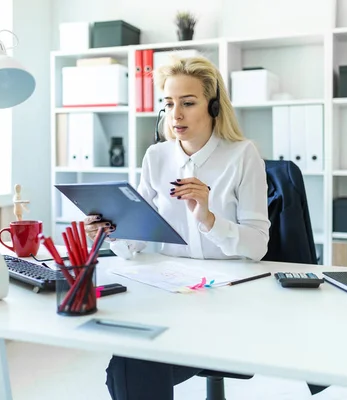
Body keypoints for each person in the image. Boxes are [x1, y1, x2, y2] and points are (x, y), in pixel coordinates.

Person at [85, 55, 270, 400]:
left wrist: (209, 219)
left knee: (136, 369)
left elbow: (258, 245)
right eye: (169, 104)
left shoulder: (243, 155)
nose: (176, 115)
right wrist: (112, 231)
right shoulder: (156, 157)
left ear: (213, 106)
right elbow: (136, 239)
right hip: (170, 295)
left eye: (188, 103)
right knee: (127, 366)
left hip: (228, 301)